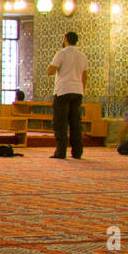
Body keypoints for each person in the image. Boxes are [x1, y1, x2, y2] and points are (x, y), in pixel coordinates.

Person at [47, 31, 89, 159]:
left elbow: (50, 71)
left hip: (63, 90)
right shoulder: (82, 56)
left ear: (65, 39)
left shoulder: (62, 53)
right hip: (77, 91)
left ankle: (61, 152)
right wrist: (82, 89)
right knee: (75, 122)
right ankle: (77, 152)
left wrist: (51, 68)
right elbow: (85, 75)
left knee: (60, 122)